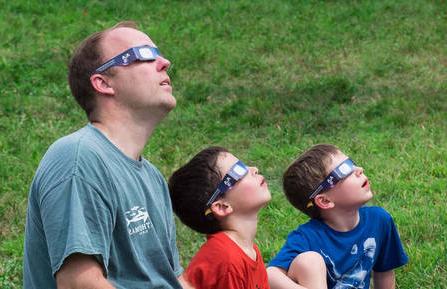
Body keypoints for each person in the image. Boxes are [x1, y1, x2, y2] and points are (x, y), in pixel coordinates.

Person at [23, 21, 190, 289]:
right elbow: (79, 284)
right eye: (145, 55)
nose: (164, 62)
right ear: (103, 83)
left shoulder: (152, 178)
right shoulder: (78, 158)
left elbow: (173, 281)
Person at [267, 144, 408, 289]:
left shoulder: (379, 220)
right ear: (325, 200)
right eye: (344, 171)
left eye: (351, 163)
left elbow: (384, 272)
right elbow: (271, 275)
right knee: (309, 261)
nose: (359, 170)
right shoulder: (308, 237)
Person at [168, 146, 271, 289]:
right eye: (239, 171)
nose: (254, 168)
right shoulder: (227, 259)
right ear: (222, 206)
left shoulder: (247, 250)